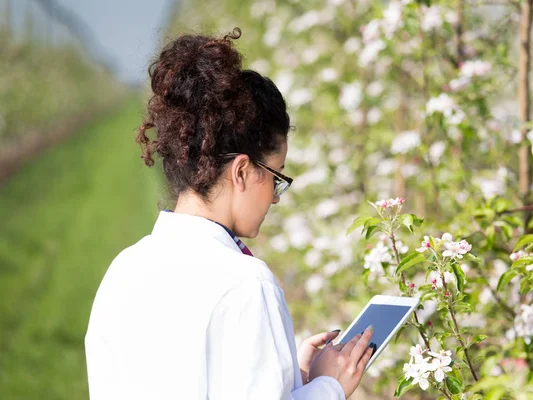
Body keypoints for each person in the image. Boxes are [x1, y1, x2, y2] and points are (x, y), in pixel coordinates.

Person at [85, 29, 375, 400]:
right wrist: (330, 387)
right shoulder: (246, 283)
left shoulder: (123, 270)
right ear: (241, 172)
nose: (275, 198)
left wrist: (291, 375)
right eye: (276, 176)